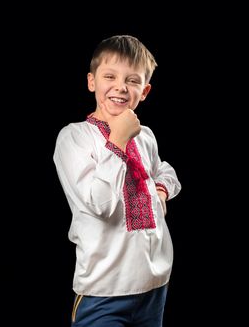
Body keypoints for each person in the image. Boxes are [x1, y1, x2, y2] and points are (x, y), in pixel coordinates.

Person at [53, 35, 181, 327]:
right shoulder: (74, 137)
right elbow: (101, 205)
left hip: (155, 283)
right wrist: (119, 139)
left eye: (132, 80)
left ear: (144, 90)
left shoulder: (145, 135)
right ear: (92, 81)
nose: (121, 87)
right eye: (109, 76)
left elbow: (165, 171)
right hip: (104, 291)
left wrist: (160, 192)